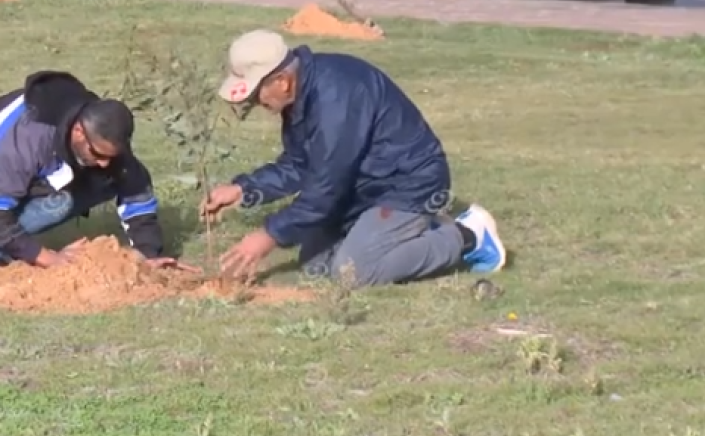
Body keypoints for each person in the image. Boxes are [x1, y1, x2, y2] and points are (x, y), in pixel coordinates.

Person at [201, 30, 506, 288]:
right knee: (316, 265)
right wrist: (243, 188)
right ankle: (402, 233)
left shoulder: (336, 98)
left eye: (256, 94)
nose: (256, 103)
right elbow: (300, 164)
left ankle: (467, 237)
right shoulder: (301, 95)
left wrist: (268, 236)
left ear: (281, 80)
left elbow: (326, 187)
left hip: (407, 184)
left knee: (353, 272)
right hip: (362, 188)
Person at [0, 71, 193, 293]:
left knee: (106, 179)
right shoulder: (31, 135)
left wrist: (145, 255)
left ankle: (6, 251)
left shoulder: (99, 131)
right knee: (57, 206)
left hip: (7, 177)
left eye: (110, 156)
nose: (104, 163)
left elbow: (134, 184)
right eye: (98, 155)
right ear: (78, 131)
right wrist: (48, 258)